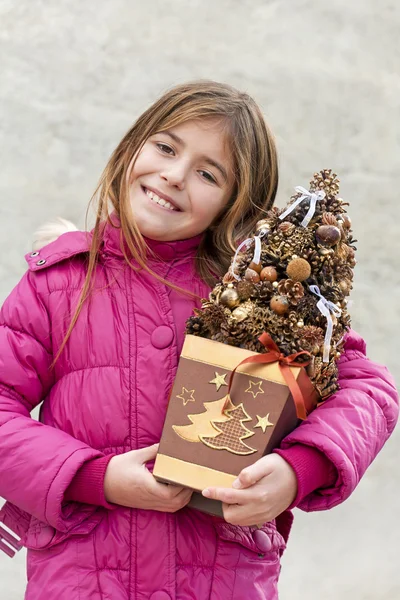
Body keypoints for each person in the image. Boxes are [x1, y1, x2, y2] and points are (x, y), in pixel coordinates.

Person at [0, 80, 397, 600]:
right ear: (133, 145)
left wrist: (299, 469)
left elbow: (368, 390)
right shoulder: (58, 283)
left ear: (236, 201)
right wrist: (95, 477)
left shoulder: (264, 290)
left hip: (223, 581)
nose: (174, 175)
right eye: (166, 147)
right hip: (84, 578)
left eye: (208, 174)